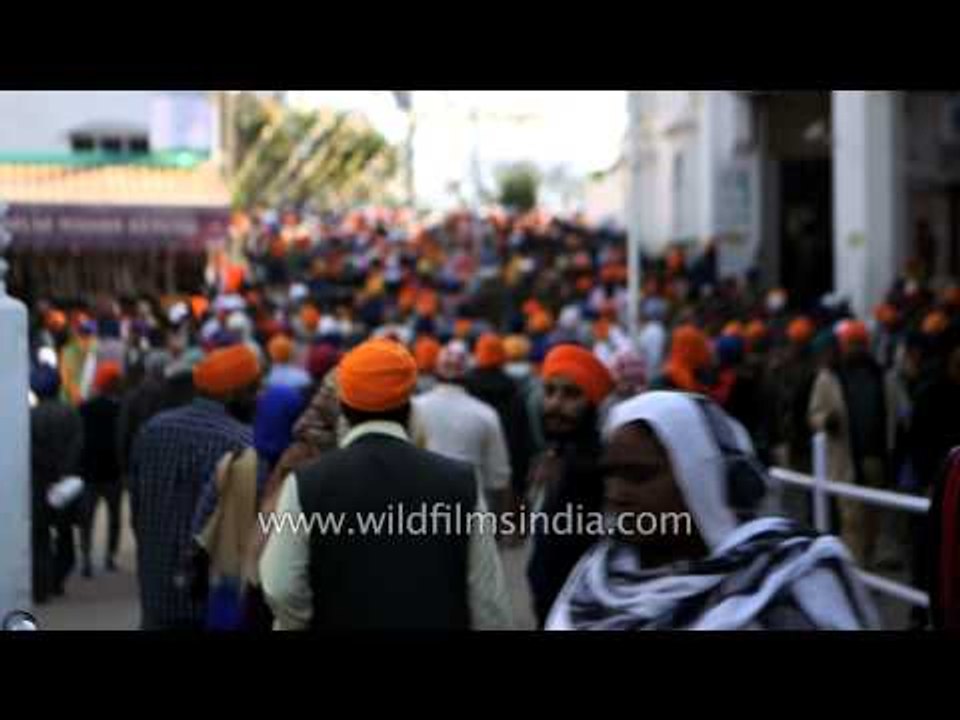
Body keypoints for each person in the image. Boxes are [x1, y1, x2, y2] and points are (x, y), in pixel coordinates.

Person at [547, 392, 879, 630]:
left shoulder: (788, 579)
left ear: (698, 478)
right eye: (610, 475)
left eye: (638, 476)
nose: (617, 494)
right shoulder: (597, 577)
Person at [259, 338, 513, 630]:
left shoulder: (306, 483)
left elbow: (281, 587)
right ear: (409, 406)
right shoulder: (461, 483)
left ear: (344, 408)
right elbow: (490, 605)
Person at [128, 344, 261, 630]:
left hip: (157, 591)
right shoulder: (242, 443)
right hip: (211, 600)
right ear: (234, 393)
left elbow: (137, 509)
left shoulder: (152, 430)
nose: (256, 398)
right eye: (253, 390)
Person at [526, 344, 614, 627]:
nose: (555, 404)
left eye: (571, 394)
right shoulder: (557, 454)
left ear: (593, 403)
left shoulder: (596, 467)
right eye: (550, 391)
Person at [412, 341, 512, 514]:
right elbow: (499, 478)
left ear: (436, 369)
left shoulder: (414, 408)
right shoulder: (486, 414)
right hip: (472, 509)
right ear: (468, 372)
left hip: (421, 509)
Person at [835, 320, 891, 569]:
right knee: (851, 519)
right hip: (847, 457)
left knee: (872, 517)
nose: (855, 348)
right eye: (852, 343)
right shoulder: (833, 376)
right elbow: (816, 413)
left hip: (873, 456)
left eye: (859, 343)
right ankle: (854, 568)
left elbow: (890, 413)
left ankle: (865, 563)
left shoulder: (879, 375)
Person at [30, 363, 84, 602]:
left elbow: (30, 450)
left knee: (40, 535)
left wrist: (46, 469)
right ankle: (58, 580)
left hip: (39, 482)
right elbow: (78, 445)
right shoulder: (70, 413)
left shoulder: (30, 416)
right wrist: (65, 470)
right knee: (65, 532)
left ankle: (41, 585)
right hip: (66, 482)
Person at [466, 333, 534, 517]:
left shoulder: (466, 388)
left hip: (471, 470)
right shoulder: (515, 391)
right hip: (506, 472)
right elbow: (523, 440)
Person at [78, 361, 125, 577]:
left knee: (86, 518)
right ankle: (110, 556)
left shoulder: (85, 408)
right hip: (113, 470)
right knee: (114, 517)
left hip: (89, 470)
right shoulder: (119, 408)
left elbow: (79, 438)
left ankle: (86, 558)